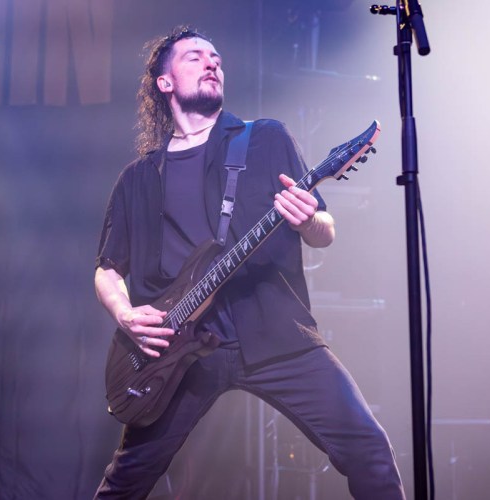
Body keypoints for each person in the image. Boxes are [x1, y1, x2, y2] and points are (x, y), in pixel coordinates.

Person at [93, 25, 405, 499]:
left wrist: (307, 220)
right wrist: (125, 314)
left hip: (274, 331)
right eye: (195, 57)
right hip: (177, 352)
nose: (212, 62)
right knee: (125, 482)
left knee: (369, 450)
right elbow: (108, 268)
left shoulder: (264, 139)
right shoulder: (137, 178)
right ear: (164, 82)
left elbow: (324, 231)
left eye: (216, 58)